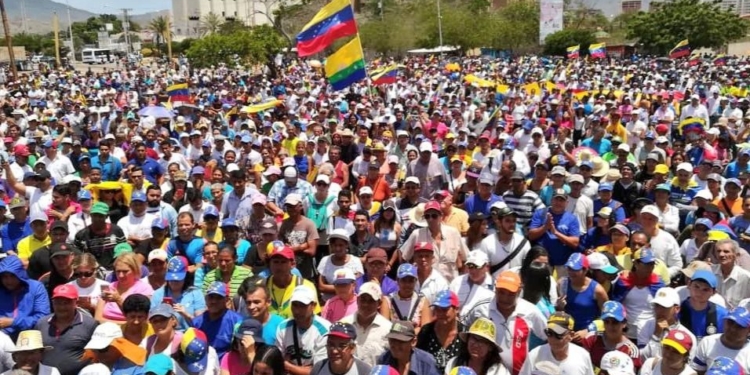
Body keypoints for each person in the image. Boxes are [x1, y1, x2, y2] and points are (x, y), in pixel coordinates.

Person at [488, 271, 547, 374]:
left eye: (511, 294)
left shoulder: (530, 311)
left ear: (519, 292)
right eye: (501, 292)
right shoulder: (482, 308)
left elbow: (548, 336)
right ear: (495, 289)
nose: (505, 298)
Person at [35, 284, 98, 375]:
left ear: (76, 302)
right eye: (58, 303)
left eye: (66, 303)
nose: (62, 307)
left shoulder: (90, 324)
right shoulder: (41, 323)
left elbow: (96, 354)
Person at [401, 200, 467, 281]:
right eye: (427, 216)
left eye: (434, 216)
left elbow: (465, 258)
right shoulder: (417, 234)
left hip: (450, 284)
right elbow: (404, 257)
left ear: (441, 216)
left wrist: (461, 279)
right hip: (426, 285)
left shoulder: (453, 233)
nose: (430, 219)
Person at [275, 285, 331, 375]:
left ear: (313, 306)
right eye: (295, 305)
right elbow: (277, 363)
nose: (297, 311)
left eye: (302, 306)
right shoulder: (283, 327)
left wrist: (288, 366)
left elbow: (318, 371)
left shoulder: (324, 330)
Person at [518, 312, 595, 375]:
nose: (553, 339)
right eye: (549, 333)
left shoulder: (583, 356)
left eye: (559, 334)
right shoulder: (535, 354)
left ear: (571, 335)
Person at [339, 282, 392, 367]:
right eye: (363, 299)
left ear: (379, 303)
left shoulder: (388, 329)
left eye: (371, 301)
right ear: (357, 300)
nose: (366, 304)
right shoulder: (343, 325)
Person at [638, 287, 698, 360]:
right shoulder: (644, 325)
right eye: (657, 306)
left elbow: (688, 363)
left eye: (664, 307)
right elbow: (642, 358)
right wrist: (656, 334)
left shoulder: (688, 335)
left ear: (677, 309)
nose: (659, 310)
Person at [0, 256, 50, 340]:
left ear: (20, 274)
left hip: (31, 335)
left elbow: (43, 317)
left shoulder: (36, 287)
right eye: (4, 277)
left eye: (12, 276)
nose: (9, 281)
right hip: (3, 337)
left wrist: (13, 322)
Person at [581, 301, 641, 370]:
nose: (610, 326)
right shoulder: (591, 339)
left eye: (615, 322)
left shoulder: (631, 351)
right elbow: (582, 365)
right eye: (606, 322)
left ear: (624, 323)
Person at [96, 252, 154, 323]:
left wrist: (118, 300)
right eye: (118, 271)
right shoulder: (109, 287)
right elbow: (97, 318)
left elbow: (140, 319)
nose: (121, 275)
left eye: (125, 271)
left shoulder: (144, 289)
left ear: (134, 270)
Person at [150, 256, 205, 332]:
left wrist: (185, 314)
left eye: (177, 279)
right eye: (171, 278)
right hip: (165, 336)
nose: (173, 282)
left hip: (188, 336)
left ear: (185, 276)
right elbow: (151, 322)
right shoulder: (158, 294)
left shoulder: (195, 293)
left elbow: (201, 324)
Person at [265, 245, 321, 319]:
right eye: (275, 262)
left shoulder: (306, 286)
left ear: (292, 264)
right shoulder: (262, 286)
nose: (279, 266)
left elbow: (316, 315)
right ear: (270, 264)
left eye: (283, 262)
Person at [192, 281, 244, 359]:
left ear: (227, 300)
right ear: (205, 299)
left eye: (218, 297)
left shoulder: (237, 321)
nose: (213, 301)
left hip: (227, 365)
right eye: (211, 297)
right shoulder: (197, 323)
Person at [416, 290, 463, 374]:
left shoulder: (464, 334)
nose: (440, 313)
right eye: (437, 309)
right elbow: (417, 358)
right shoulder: (426, 331)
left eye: (444, 309)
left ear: (456, 309)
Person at [691, 306, 750, 373]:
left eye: (739, 326)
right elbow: (698, 371)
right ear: (724, 322)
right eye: (730, 322)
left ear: (749, 331)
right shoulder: (708, 342)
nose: (733, 329)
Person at [444, 318, 510, 375]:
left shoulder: (500, 371)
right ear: (468, 339)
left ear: (490, 347)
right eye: (474, 338)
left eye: (482, 341)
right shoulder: (454, 363)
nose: (476, 345)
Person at [73, 202, 126, 270]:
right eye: (95, 215)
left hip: (114, 270)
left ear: (106, 216)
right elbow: (77, 257)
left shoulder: (116, 231)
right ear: (91, 215)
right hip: (91, 272)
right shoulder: (81, 235)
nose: (97, 219)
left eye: (100, 216)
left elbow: (124, 252)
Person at [479, 206, 530, 277]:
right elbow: (484, 270)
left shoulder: (524, 243)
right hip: (495, 286)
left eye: (514, 221)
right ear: (499, 222)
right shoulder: (487, 243)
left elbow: (527, 269)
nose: (512, 224)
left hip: (517, 286)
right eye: (507, 221)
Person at [278, 193, 320, 280]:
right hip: (288, 271)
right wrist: (305, 245)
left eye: (293, 206)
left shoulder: (309, 224)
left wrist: (295, 249)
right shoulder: (284, 224)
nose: (290, 209)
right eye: (288, 206)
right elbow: (279, 245)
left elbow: (312, 251)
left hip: (305, 270)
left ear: (300, 206)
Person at [81, 322, 147, 374]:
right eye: (95, 349)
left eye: (102, 349)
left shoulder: (135, 367)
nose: (98, 354)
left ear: (118, 345)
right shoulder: (90, 369)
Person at [448, 250, 494, 326]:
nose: (473, 270)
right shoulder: (456, 283)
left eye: (477, 267)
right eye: (470, 266)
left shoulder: (494, 287)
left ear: (486, 267)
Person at [239, 279, 285, 345]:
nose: (251, 307)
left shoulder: (281, 325)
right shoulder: (241, 325)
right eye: (248, 303)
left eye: (256, 302)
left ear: (268, 302)